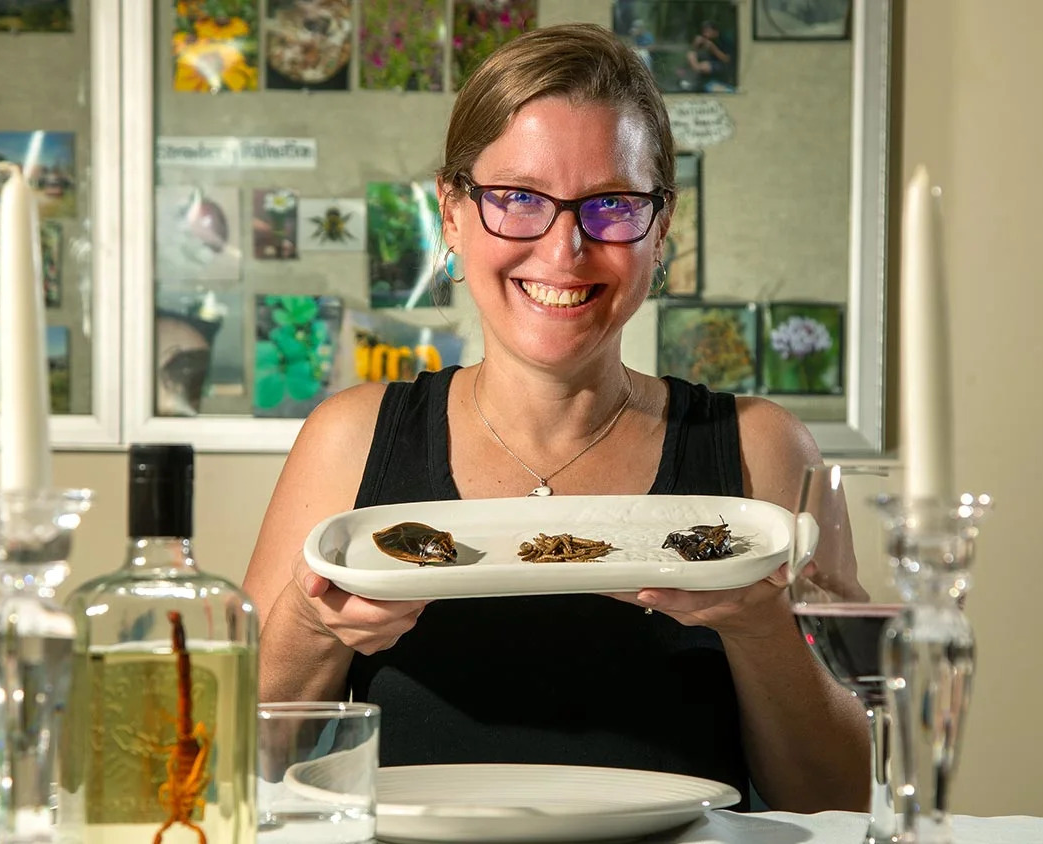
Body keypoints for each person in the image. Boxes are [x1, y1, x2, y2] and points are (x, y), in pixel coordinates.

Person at [242, 22, 869, 813]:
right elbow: (234, 754)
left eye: (611, 204)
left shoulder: (762, 450)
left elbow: (845, 797)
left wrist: (762, 631)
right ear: (454, 213)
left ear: (661, 226)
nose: (565, 250)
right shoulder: (350, 438)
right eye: (517, 199)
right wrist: (315, 623)